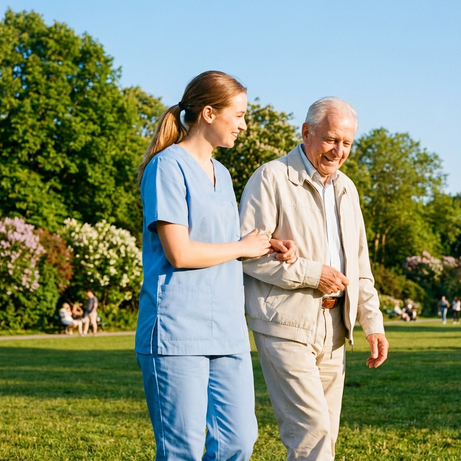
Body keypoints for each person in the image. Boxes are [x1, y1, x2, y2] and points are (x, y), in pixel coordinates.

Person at [134, 71, 297, 461]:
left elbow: (224, 244)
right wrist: (240, 246)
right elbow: (181, 253)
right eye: (238, 115)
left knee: (238, 441)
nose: (243, 125)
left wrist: (264, 247)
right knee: (183, 451)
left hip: (226, 330)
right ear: (209, 112)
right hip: (176, 331)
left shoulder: (222, 175)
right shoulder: (167, 167)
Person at [239, 96, 388, 461]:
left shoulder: (347, 189)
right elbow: (246, 254)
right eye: (331, 139)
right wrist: (312, 273)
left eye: (347, 143)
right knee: (312, 436)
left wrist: (372, 323)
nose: (339, 151)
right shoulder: (271, 177)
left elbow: (359, 266)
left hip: (336, 329)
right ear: (306, 132)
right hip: (285, 324)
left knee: (327, 437)